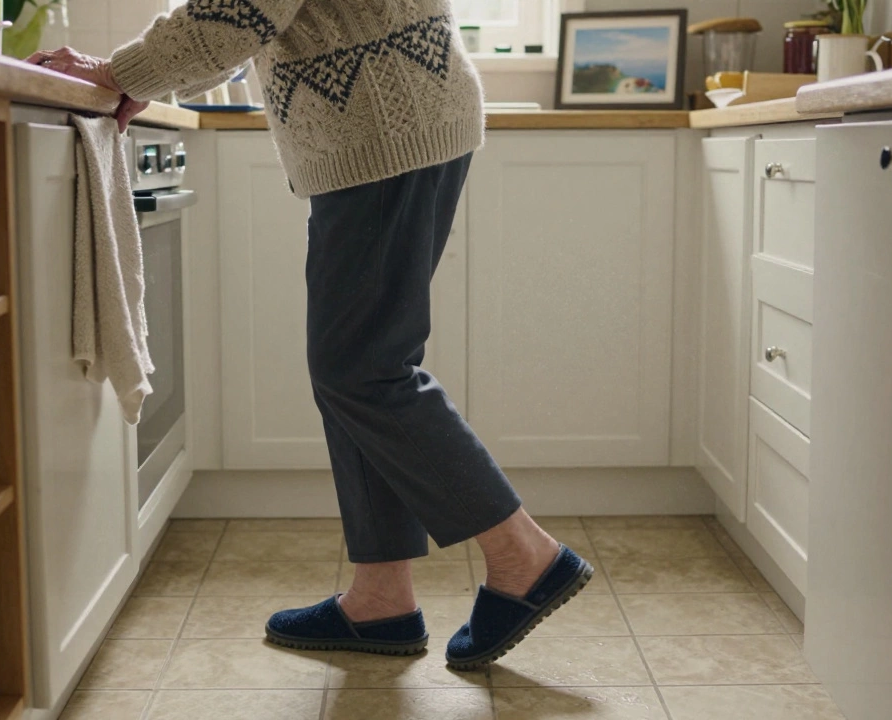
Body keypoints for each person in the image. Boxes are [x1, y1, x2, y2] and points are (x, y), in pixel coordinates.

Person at [31, 0, 593, 670]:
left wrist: (123, 71)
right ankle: (381, 596)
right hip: (390, 114)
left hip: (382, 122)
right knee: (358, 370)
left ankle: (522, 554)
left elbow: (238, 10)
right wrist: (141, 74)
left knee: (362, 371)